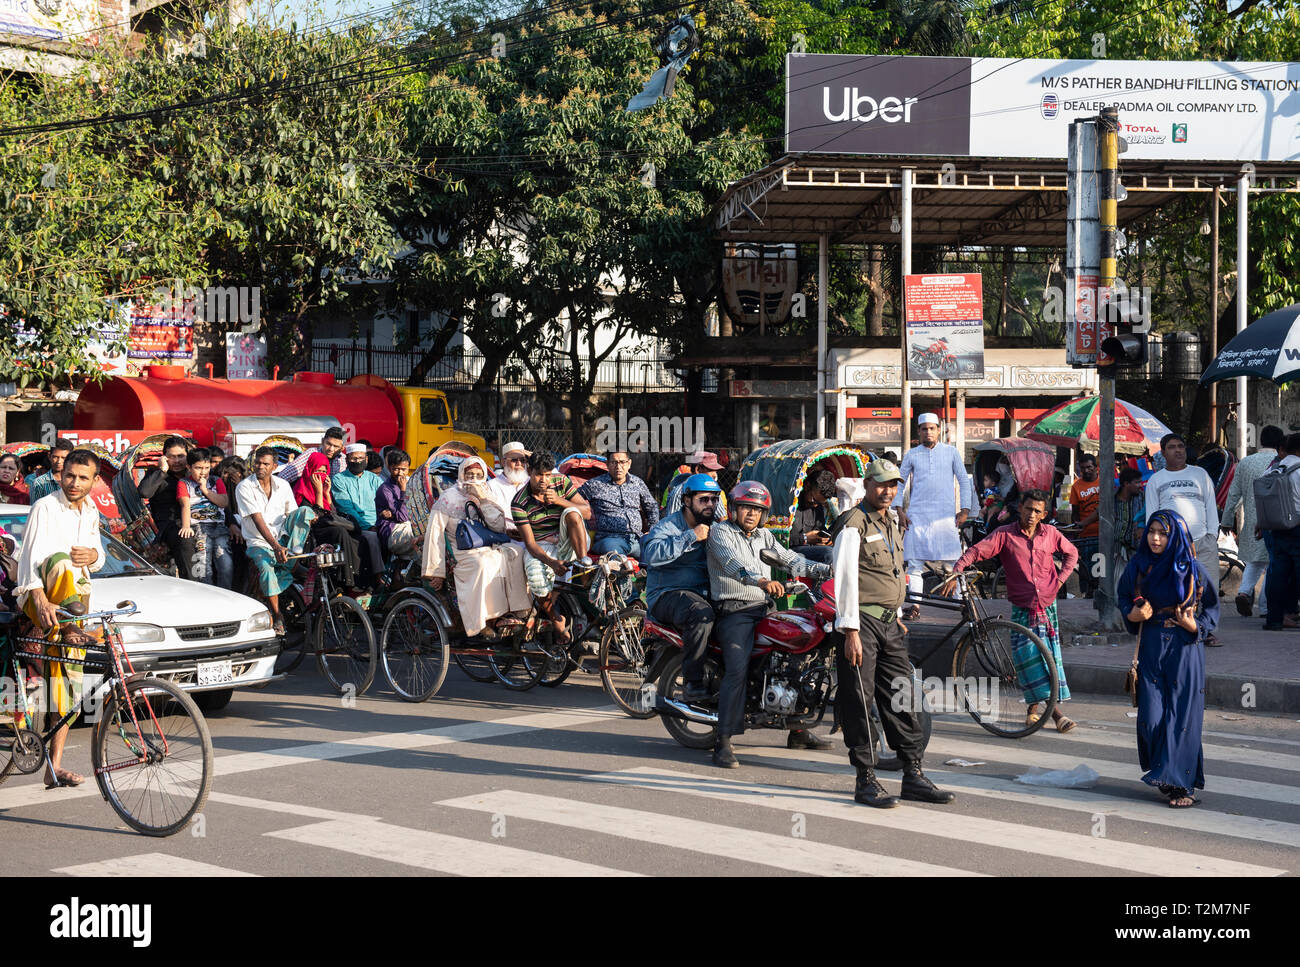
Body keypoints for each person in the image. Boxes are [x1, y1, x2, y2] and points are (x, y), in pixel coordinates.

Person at [830, 459, 954, 808]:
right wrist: (850, 629)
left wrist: (897, 613)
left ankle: (912, 773)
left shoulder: (892, 521)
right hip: (860, 625)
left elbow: (890, 572)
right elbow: (845, 579)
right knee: (860, 699)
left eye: (893, 485)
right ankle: (865, 779)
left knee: (902, 695)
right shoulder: (853, 524)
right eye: (881, 484)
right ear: (867, 485)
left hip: (888, 622)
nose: (888, 491)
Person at [706, 480, 832, 767]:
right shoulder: (720, 532)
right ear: (734, 509)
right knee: (737, 670)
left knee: (799, 658)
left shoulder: (764, 536)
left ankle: (798, 730)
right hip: (734, 611)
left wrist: (830, 569)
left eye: (757, 509)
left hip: (763, 608)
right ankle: (723, 741)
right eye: (746, 507)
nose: (751, 513)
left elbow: (792, 560)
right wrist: (762, 581)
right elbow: (733, 564)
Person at [946, 489, 1079, 733]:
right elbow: (977, 550)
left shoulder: (1050, 534)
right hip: (1022, 608)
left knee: (1049, 659)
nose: (1031, 514)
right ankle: (1054, 714)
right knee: (1028, 660)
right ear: (1020, 507)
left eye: (1037, 511)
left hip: (1047, 606)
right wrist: (958, 568)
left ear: (1044, 514)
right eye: (1028, 508)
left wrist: (1059, 582)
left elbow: (1072, 554)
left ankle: (1036, 711)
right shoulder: (1005, 535)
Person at [13, 448, 105, 789]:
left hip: (74, 604)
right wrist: (37, 595)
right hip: (39, 598)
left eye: (83, 478)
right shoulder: (45, 506)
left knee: (67, 686)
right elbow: (30, 559)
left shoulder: (92, 509)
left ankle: (54, 767)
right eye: (69, 475)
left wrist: (95, 555)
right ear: (60, 474)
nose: (74, 482)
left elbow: (96, 560)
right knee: (61, 561)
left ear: (95, 481)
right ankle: (71, 630)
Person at [1117, 510, 1219, 808]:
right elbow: (1123, 598)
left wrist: (1195, 627)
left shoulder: (1193, 569)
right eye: (1151, 532)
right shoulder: (1138, 566)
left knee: (1182, 718)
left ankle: (1181, 785)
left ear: (1175, 535)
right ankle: (1165, 769)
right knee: (1152, 717)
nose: (1156, 538)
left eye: (1162, 532)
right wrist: (1133, 614)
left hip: (1185, 648)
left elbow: (1211, 608)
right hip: (1151, 644)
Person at [423, 456, 530, 640]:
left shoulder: (487, 493)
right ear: (462, 475)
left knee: (516, 552)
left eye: (478, 475)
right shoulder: (448, 497)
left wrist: (482, 499)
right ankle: (481, 622)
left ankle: (516, 611)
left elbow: (497, 526)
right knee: (482, 563)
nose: (473, 478)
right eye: (469, 474)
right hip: (460, 551)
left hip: (488, 545)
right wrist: (435, 572)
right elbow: (434, 534)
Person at [642, 473, 722, 706]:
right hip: (667, 595)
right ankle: (692, 684)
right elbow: (652, 555)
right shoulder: (667, 526)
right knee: (700, 614)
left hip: (704, 593)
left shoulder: (716, 528)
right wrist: (691, 536)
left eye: (714, 500)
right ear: (687, 501)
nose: (710, 505)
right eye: (703, 500)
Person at [893, 412, 972, 620]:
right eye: (924, 428)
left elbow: (964, 481)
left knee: (956, 564)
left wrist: (965, 509)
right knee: (915, 566)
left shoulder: (951, 452)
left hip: (946, 518)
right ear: (918, 431)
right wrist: (899, 510)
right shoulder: (912, 454)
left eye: (932, 428)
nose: (928, 432)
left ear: (939, 430)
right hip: (918, 516)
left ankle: (960, 603)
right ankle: (915, 606)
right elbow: (899, 483)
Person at [1144, 433, 1220, 644]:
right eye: (1172, 447)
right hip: (1173, 545)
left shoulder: (1200, 474)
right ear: (1164, 452)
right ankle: (1183, 626)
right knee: (1179, 588)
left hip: (1202, 541)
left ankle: (1207, 631)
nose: (1178, 450)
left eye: (1181, 446)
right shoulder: (1156, 480)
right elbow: (1153, 515)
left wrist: (1212, 535)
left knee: (1208, 588)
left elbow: (1210, 506)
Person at [512, 451, 591, 643]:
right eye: (539, 474)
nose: (544, 480)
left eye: (547, 475)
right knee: (535, 576)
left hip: (571, 540)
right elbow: (530, 544)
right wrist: (552, 563)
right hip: (541, 545)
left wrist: (559, 501)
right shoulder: (519, 503)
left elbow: (587, 513)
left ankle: (584, 565)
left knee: (572, 512)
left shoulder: (561, 482)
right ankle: (556, 618)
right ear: (529, 471)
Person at [237, 446, 314, 636]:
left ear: (274, 465)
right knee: (266, 567)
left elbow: (292, 514)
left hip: (284, 539)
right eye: (257, 463)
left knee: (305, 512)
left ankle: (293, 560)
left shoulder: (283, 485)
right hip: (259, 542)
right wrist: (276, 546)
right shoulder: (245, 487)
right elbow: (257, 519)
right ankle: (277, 614)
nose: (260, 467)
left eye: (265, 464)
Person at [1221, 424, 1283, 617]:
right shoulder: (1281, 462)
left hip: (1252, 522)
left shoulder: (1246, 463)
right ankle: (1265, 607)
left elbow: (1233, 494)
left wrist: (1227, 520)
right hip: (1277, 522)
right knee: (1274, 564)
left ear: (1260, 441)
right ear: (1280, 443)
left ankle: (1244, 592)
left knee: (1255, 562)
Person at [295, 428, 364, 590]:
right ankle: (348, 579)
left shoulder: (339, 463)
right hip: (313, 530)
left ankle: (356, 576)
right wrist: (319, 491)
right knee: (340, 532)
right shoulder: (302, 489)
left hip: (326, 523)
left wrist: (326, 493)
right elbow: (316, 515)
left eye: (324, 471)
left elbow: (331, 512)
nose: (321, 474)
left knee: (354, 535)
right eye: (317, 471)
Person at [138, 435, 198, 579]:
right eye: (172, 457)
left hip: (198, 519)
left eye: (181, 456)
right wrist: (162, 471)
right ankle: (193, 584)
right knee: (186, 539)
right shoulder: (156, 473)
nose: (177, 461)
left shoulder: (194, 473)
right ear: (164, 457)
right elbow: (144, 492)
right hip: (169, 525)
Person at [579, 451, 659, 557]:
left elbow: (651, 506)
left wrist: (652, 530)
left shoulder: (637, 483)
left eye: (622, 462)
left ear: (629, 464)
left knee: (658, 555)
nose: (618, 466)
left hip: (637, 539)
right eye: (614, 462)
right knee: (617, 558)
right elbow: (572, 497)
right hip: (609, 539)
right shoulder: (595, 484)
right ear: (607, 464)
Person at [1260, 432, 1300, 631]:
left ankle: (1274, 619)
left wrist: (1262, 523)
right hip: (1298, 527)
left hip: (1277, 528)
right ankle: (1291, 612)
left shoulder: (1273, 469)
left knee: (1277, 574)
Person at [332, 443, 387, 584]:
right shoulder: (339, 479)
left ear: (366, 460)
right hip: (355, 524)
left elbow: (384, 500)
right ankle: (380, 577)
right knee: (373, 537)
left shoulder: (374, 478)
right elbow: (346, 508)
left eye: (360, 458)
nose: (357, 461)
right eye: (354, 459)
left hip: (378, 522)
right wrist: (368, 526)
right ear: (347, 460)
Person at [177, 448, 232, 589]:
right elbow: (185, 505)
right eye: (198, 468)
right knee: (203, 567)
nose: (203, 472)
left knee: (225, 565)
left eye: (206, 468)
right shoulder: (184, 483)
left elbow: (224, 502)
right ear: (189, 467)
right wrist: (186, 526)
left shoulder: (216, 481)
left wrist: (205, 490)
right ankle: (207, 597)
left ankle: (226, 596)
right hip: (199, 529)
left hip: (219, 528)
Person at [1068, 454, 1102, 597]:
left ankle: (1099, 593)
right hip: (1086, 534)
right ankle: (1086, 594)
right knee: (1086, 567)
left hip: (1102, 533)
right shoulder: (1076, 486)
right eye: (1083, 468)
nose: (1086, 471)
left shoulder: (1104, 482)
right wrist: (1077, 531)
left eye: (1089, 467)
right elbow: (1075, 512)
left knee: (1101, 567)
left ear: (1096, 467)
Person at [790, 469, 837, 565]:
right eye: (814, 500)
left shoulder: (817, 507)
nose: (815, 505)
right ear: (807, 486)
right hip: (790, 551)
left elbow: (820, 529)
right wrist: (805, 538)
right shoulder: (790, 504)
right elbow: (779, 539)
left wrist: (823, 540)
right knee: (829, 553)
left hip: (811, 549)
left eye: (819, 503)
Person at [375, 449, 416, 558]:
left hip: (409, 525)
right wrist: (403, 491)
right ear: (389, 468)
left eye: (404, 469)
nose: (400, 473)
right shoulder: (385, 489)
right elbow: (402, 517)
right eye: (396, 469)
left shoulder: (412, 483)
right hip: (391, 530)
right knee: (420, 535)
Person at [663, 451, 726, 516]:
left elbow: (722, 520)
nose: (715, 475)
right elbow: (672, 522)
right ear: (698, 470)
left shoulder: (714, 490)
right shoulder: (679, 493)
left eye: (716, 471)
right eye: (711, 470)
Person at [487, 441, 530, 532]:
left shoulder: (531, 482)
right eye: (514, 460)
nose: (519, 463)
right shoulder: (492, 485)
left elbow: (554, 478)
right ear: (503, 462)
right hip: (505, 537)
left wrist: (534, 457)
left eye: (522, 460)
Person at [25, 438, 74, 505]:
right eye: (55, 457)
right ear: (49, 456)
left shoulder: (75, 481)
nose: (59, 461)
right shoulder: (39, 483)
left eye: (63, 458)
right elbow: (35, 509)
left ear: (70, 458)